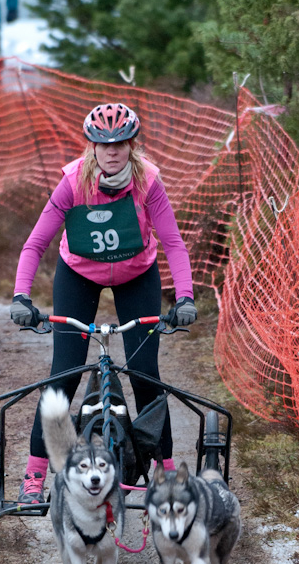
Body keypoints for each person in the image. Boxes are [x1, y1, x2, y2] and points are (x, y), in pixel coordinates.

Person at [11, 102, 197, 504]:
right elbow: (36, 243)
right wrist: (21, 295)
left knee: (146, 376)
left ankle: (165, 477)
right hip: (78, 274)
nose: (112, 152)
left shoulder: (148, 182)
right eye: (104, 144)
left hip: (136, 275)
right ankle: (34, 477)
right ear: (92, 146)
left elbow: (173, 243)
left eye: (120, 144)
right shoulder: (72, 183)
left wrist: (185, 297)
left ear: (132, 145)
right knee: (63, 375)